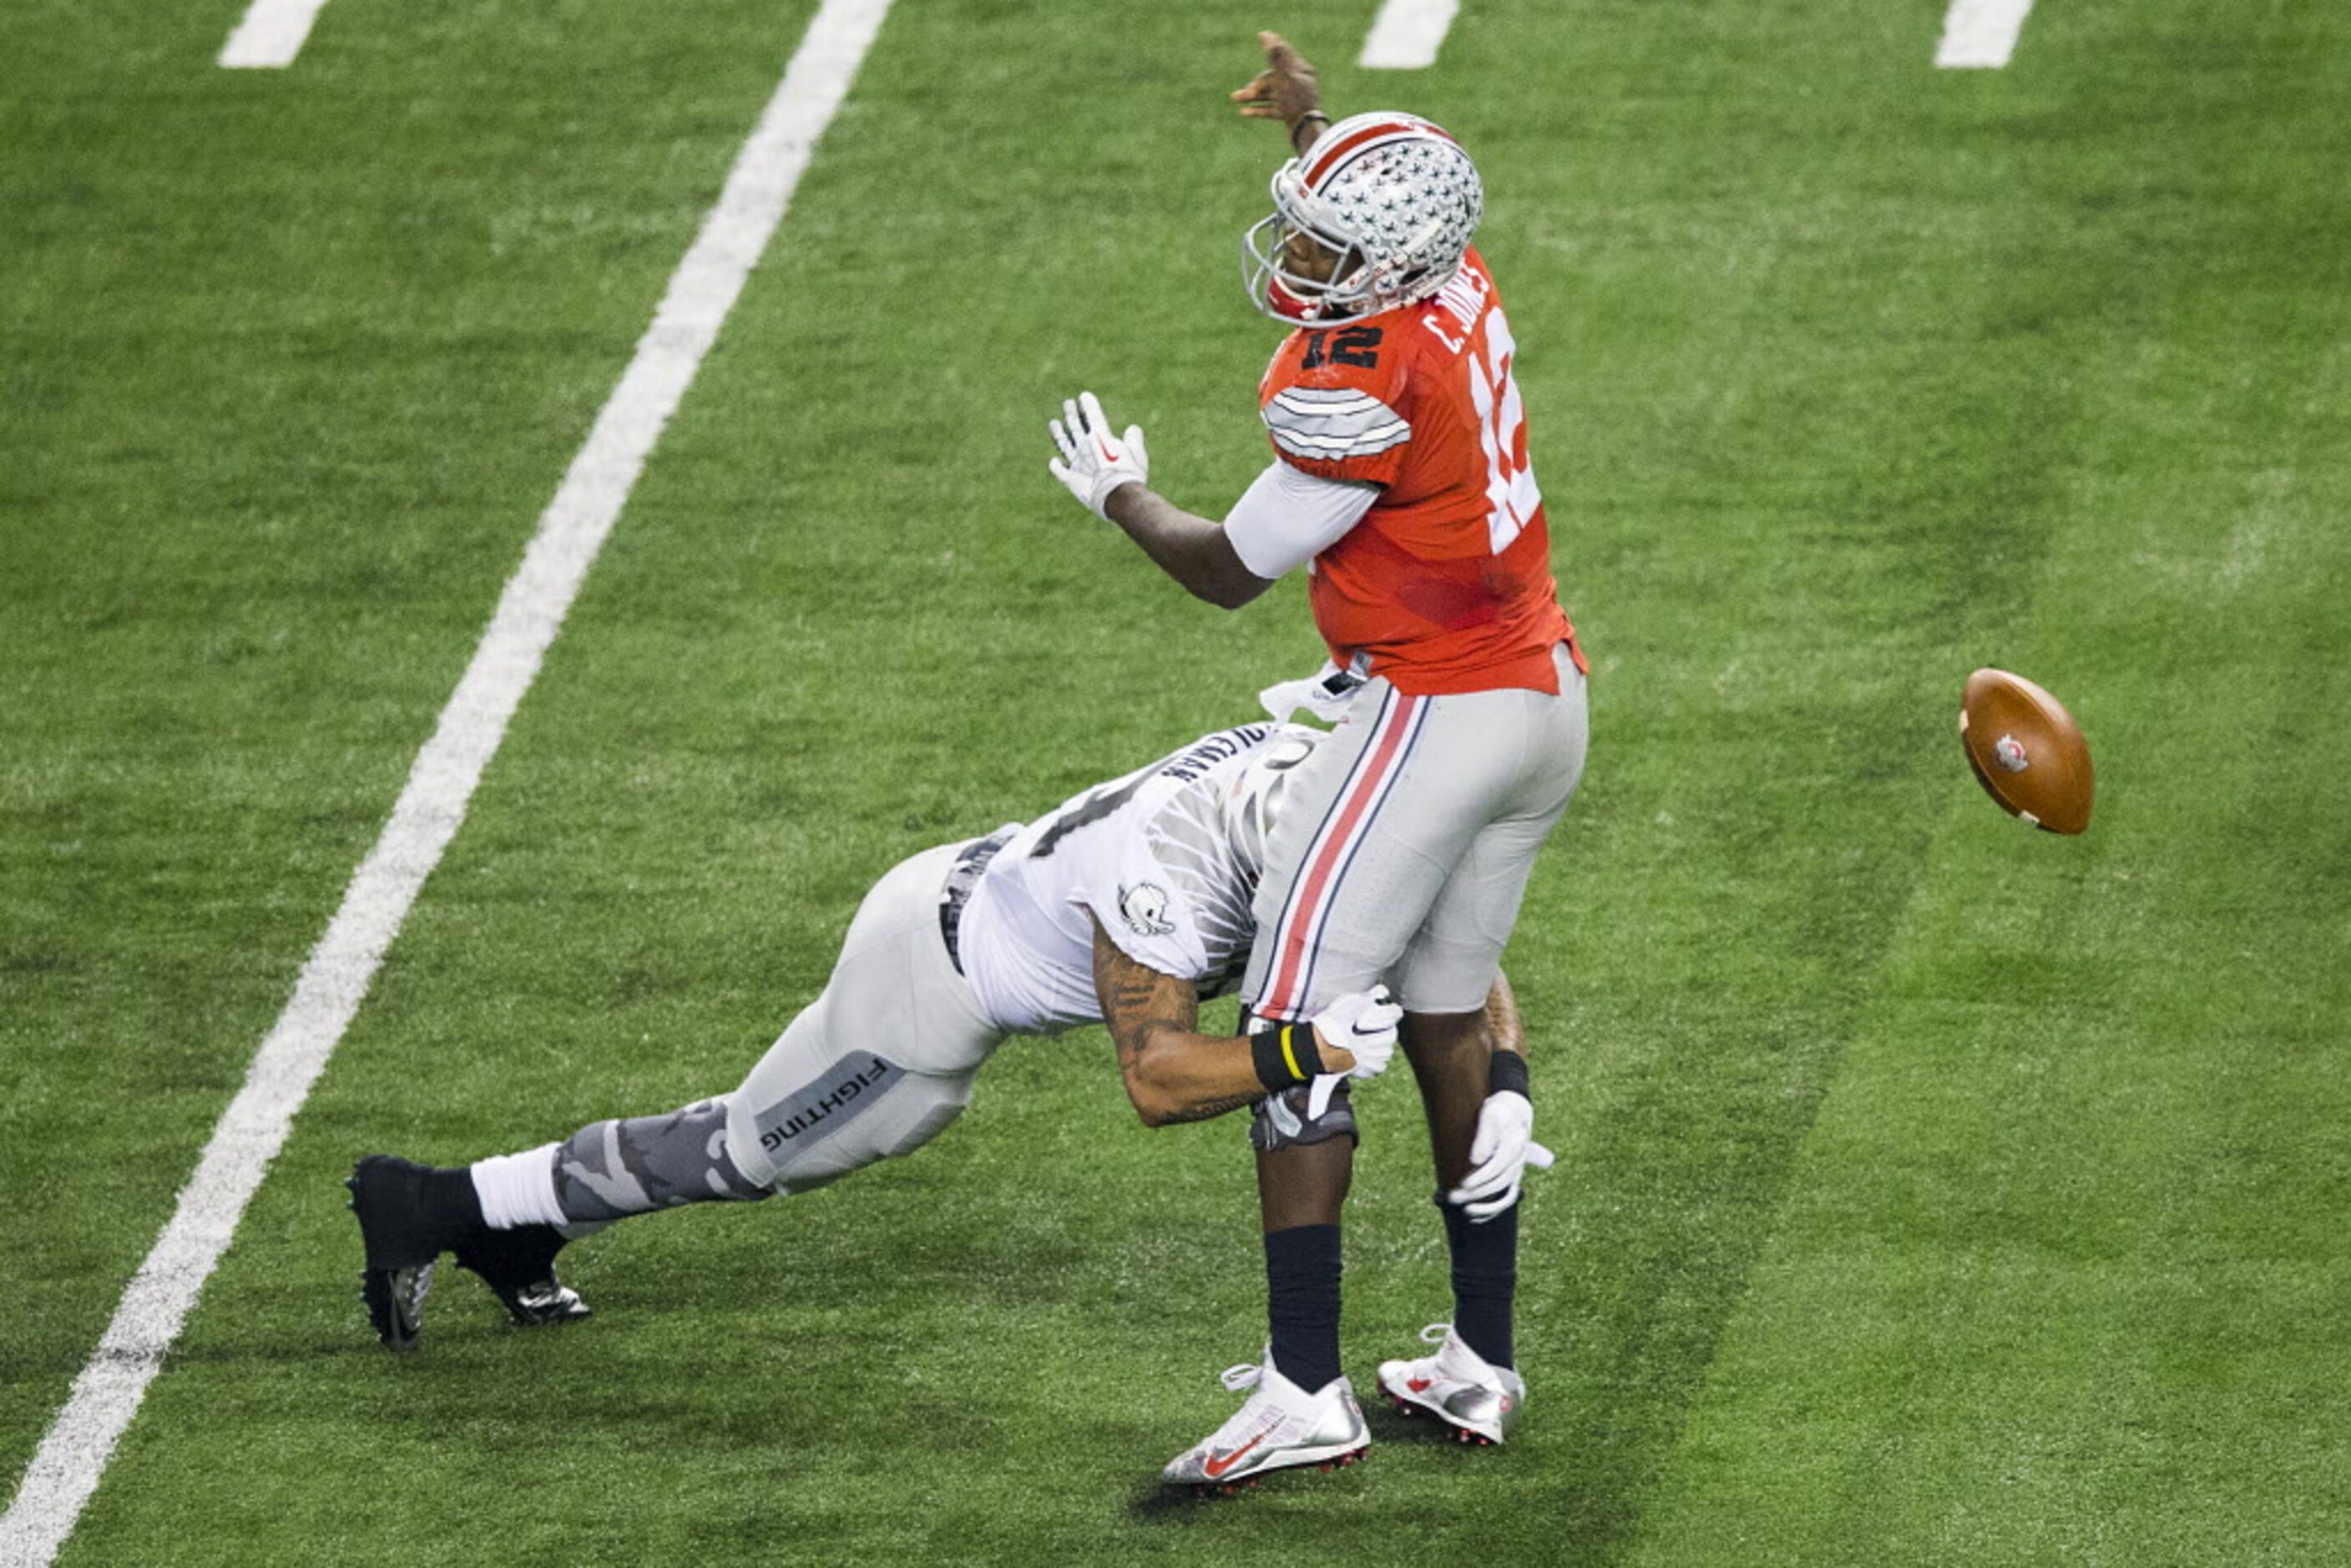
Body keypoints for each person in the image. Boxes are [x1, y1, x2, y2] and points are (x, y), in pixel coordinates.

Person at [1045, 32, 1590, 1486]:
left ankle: (1302, 1389)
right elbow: (1381, 230)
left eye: (1324, 238)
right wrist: (1315, 124)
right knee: (1446, 995)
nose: (1299, 251)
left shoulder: (1353, 381)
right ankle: (1479, 1359)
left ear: (1387, 265)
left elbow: (1229, 570)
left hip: (1432, 711)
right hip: (1545, 693)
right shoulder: (1455, 282)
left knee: (1298, 1023)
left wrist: (1119, 495)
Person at [344, 720, 1410, 1355]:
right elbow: (1158, 1081)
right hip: (928, 981)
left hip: (968, 888)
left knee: (779, 1139)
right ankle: (435, 1201)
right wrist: (1307, 1052)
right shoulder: (1167, 877)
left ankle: (514, 1230)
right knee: (745, 1151)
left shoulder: (1300, 761)